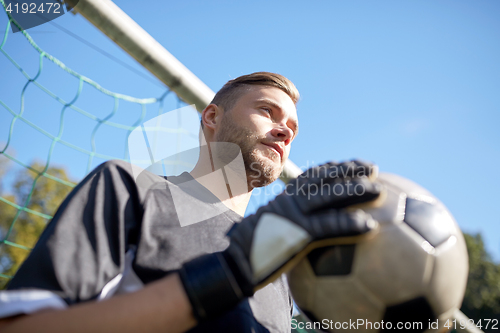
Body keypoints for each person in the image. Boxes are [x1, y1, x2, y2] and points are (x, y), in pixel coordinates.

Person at [0, 72, 381, 332]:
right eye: (267, 111)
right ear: (212, 116)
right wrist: (224, 277)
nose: (284, 131)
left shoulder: (281, 273)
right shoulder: (130, 188)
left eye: (293, 129)